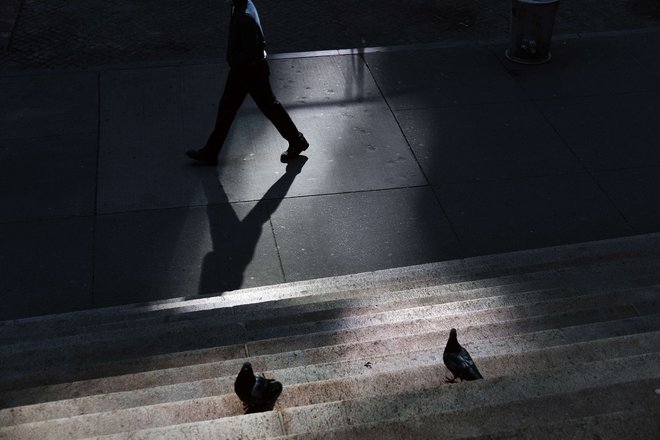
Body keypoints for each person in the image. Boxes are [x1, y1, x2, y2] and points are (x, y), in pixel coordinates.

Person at [187, 0, 308, 165]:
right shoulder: (243, 7)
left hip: (248, 70)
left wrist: (232, 60)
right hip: (246, 69)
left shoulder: (244, 17)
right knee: (232, 108)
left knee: (265, 107)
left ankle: (297, 140)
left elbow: (251, 51)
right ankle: (211, 151)